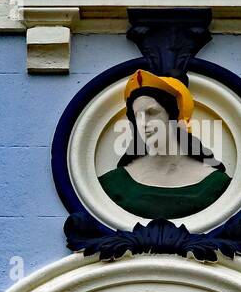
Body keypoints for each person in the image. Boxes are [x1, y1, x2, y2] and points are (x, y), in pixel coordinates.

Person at [98, 69, 230, 220]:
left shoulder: (217, 184)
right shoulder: (113, 183)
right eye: (137, 116)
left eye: (152, 112)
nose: (143, 123)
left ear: (175, 116)